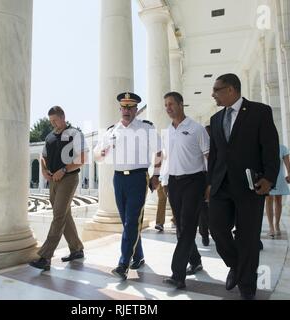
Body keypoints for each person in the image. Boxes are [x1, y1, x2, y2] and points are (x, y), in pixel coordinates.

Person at [207, 74, 280, 300]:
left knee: (247, 238)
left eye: (216, 90)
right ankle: (236, 266)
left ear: (230, 90)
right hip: (222, 185)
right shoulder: (216, 118)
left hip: (251, 186)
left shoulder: (260, 112)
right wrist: (210, 183)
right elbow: (215, 156)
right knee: (217, 229)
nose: (213, 94)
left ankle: (247, 287)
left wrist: (269, 178)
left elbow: (270, 147)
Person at [94, 92, 161, 281]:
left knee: (132, 221)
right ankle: (138, 256)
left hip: (138, 178)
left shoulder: (146, 128)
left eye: (131, 107)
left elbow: (158, 152)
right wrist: (102, 152)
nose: (127, 110)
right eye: (124, 107)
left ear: (136, 110)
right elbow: (97, 156)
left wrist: (156, 175)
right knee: (127, 222)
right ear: (120, 109)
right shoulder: (111, 130)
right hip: (118, 179)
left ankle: (123, 264)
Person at [160, 92, 209, 289]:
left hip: (194, 181)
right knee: (181, 226)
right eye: (165, 105)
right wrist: (164, 179)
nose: (168, 108)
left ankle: (178, 274)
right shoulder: (168, 131)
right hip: (174, 182)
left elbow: (209, 156)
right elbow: (167, 158)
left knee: (188, 226)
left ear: (181, 104)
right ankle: (195, 261)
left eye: (171, 104)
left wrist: (209, 184)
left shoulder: (196, 129)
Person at [29, 106, 88, 271]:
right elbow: (43, 156)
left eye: (55, 120)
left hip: (68, 178)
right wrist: (43, 170)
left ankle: (45, 257)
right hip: (53, 181)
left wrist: (63, 170)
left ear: (63, 117)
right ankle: (77, 249)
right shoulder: (49, 137)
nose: (53, 124)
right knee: (64, 215)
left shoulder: (75, 134)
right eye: (51, 121)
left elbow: (82, 158)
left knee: (59, 215)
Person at [266, 144, 290, 238]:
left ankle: (276, 225)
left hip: (279, 178)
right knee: (268, 200)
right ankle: (271, 227)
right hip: (267, 178)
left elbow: (287, 162)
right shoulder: (263, 146)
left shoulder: (282, 148)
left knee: (278, 201)